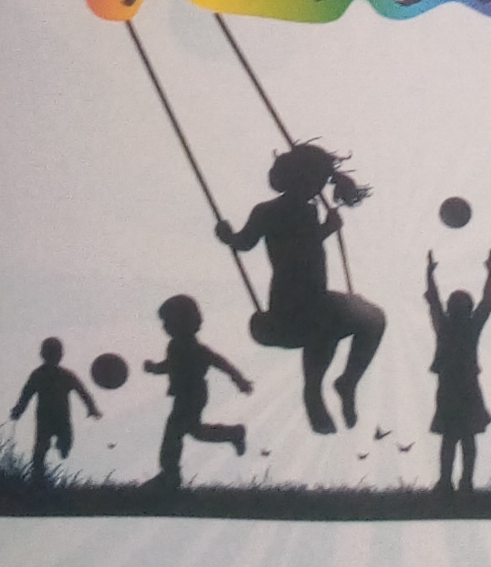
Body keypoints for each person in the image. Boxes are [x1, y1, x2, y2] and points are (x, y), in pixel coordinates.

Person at [217, 142, 385, 434]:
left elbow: (248, 243)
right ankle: (316, 390)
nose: (318, 188)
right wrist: (229, 236)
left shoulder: (305, 212)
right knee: (335, 322)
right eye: (316, 180)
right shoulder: (271, 211)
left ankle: (344, 382)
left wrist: (230, 237)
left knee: (367, 320)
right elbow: (287, 251)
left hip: (314, 298)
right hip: (290, 303)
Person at [144, 294, 252, 488]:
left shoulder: (195, 348)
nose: (165, 326)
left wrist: (239, 380)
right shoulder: (175, 346)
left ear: (186, 321)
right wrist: (155, 369)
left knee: (173, 432)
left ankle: (170, 474)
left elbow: (220, 363)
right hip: (187, 395)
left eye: (169, 321)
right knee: (194, 431)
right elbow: (171, 365)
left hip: (192, 395)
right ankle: (233, 433)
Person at [426, 248, 491, 494]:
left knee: (455, 438)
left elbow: (434, 301)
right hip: (461, 386)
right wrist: (490, 271)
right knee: (463, 438)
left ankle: (452, 482)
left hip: (453, 386)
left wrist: (429, 274)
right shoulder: (468, 326)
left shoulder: (447, 326)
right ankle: (458, 482)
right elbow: (487, 301)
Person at [9, 337, 99, 479]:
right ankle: (38, 477)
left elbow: (82, 392)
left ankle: (60, 449)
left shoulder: (66, 375)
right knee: (41, 449)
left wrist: (92, 408)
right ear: (43, 355)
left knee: (65, 443)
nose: (53, 357)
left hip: (61, 418)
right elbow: (26, 395)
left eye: (56, 353)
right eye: (51, 353)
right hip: (45, 419)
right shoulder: (38, 375)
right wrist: (18, 410)